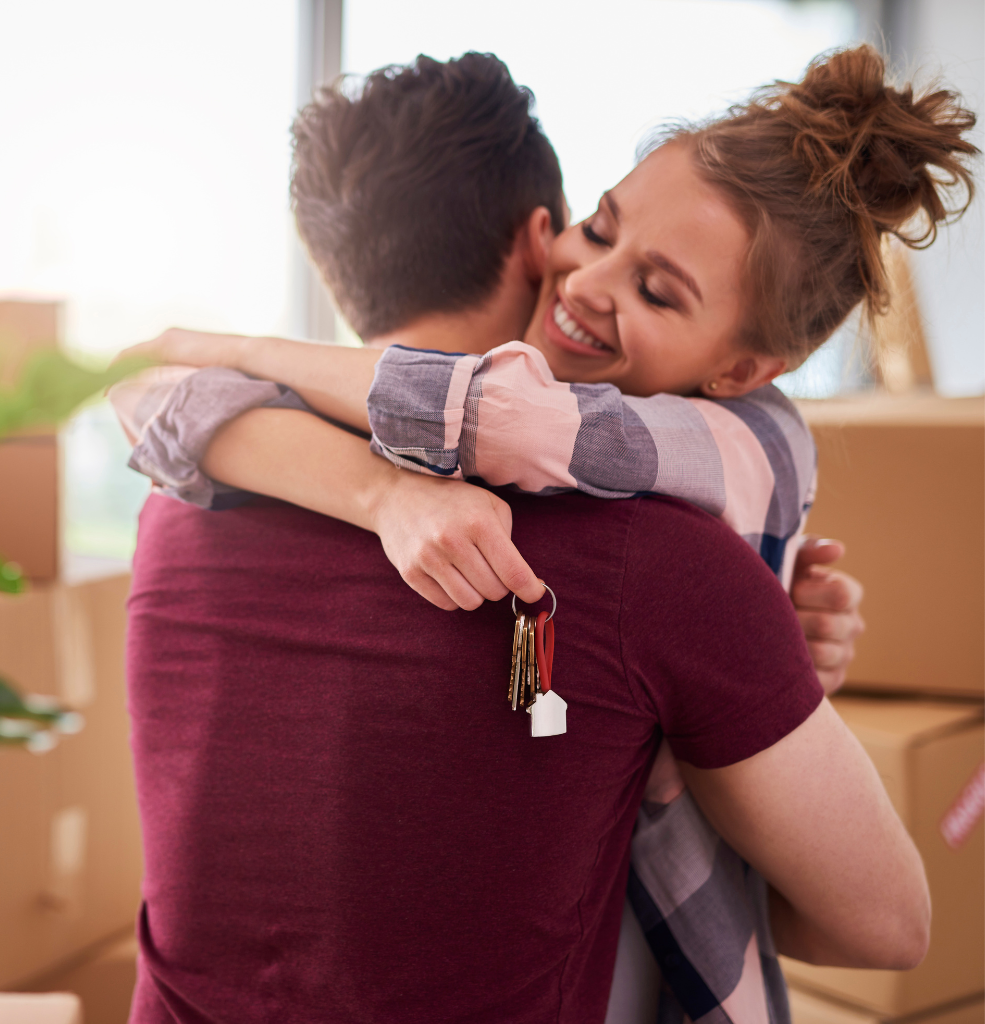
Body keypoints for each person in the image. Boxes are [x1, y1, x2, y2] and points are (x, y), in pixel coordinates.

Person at [117, 52, 942, 1023]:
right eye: (595, 228)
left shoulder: (180, 500)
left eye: (658, 288)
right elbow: (883, 926)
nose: (588, 282)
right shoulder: (667, 565)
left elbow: (153, 393)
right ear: (536, 236)